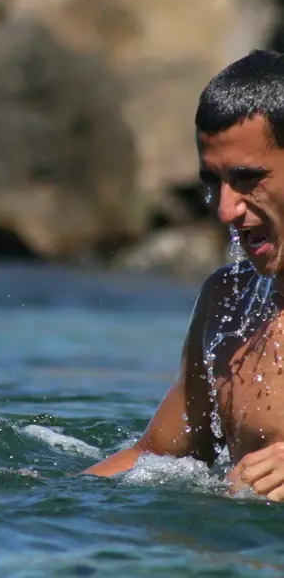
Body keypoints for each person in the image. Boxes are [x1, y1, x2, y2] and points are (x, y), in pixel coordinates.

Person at [81, 50, 284, 501]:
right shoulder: (227, 303)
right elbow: (154, 459)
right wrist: (29, 503)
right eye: (214, 183)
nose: (226, 210)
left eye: (247, 178)